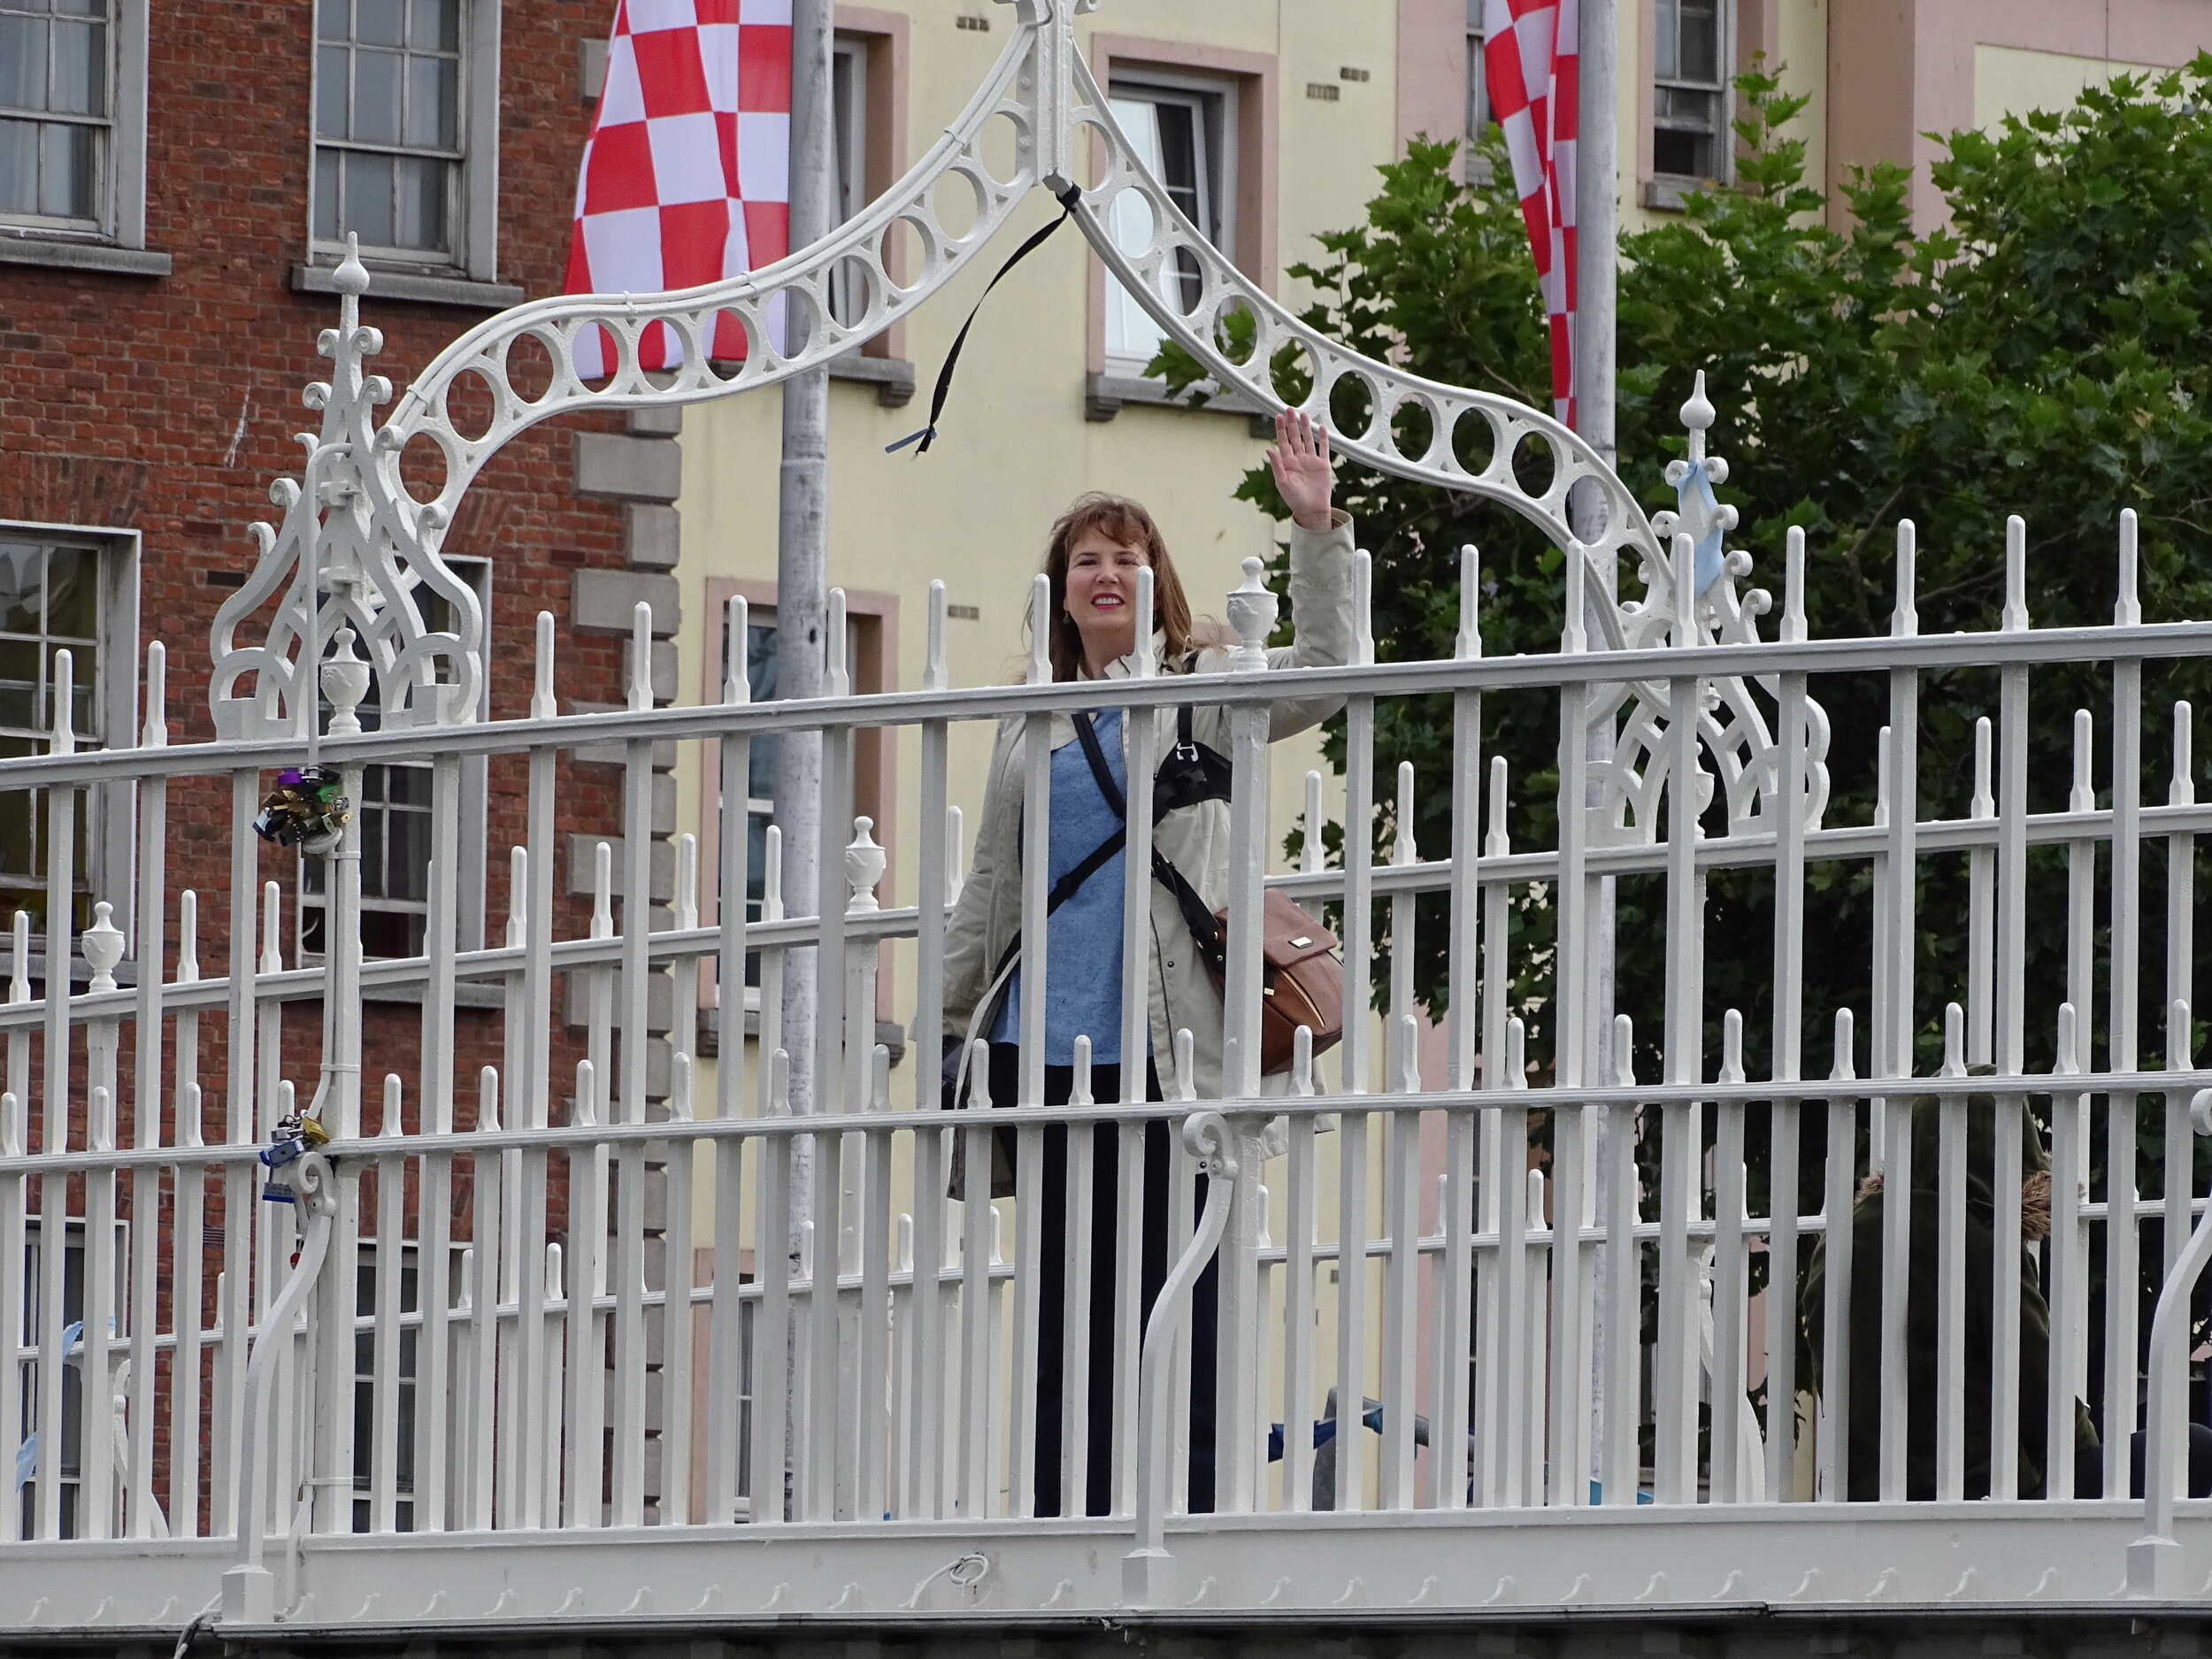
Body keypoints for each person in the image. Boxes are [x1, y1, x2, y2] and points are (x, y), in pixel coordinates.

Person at [940, 408, 1355, 1517]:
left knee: (1191, 1285)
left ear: (1155, 580)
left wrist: (1314, 533)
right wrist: (947, 1026)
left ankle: (1196, 1510)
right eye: (1087, 560)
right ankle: (1063, 1512)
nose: (1106, 573)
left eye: (1126, 556)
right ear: (1061, 589)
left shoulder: (1203, 693)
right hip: (1048, 1048)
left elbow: (1324, 675)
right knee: (1066, 1300)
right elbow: (993, 881)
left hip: (1169, 1051)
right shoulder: (1027, 719)